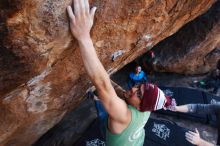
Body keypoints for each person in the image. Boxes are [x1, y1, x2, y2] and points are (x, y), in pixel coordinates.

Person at [66, 1, 171, 145]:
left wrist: (83, 36)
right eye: (138, 86)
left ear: (140, 107)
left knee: (105, 110)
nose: (133, 89)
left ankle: (99, 102)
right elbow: (117, 90)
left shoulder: (124, 115)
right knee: (107, 113)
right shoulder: (147, 107)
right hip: (135, 141)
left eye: (139, 94)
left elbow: (103, 85)